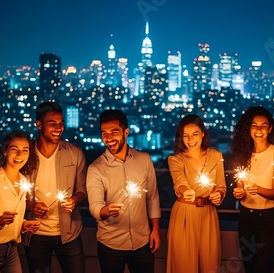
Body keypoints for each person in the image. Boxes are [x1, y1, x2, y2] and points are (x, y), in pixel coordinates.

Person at [87, 109, 161, 273]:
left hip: (143, 242)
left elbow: (153, 198)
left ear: (126, 132)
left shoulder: (144, 160)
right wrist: (105, 211)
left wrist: (155, 229)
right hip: (111, 245)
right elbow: (94, 206)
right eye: (104, 133)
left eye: (114, 132)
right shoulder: (95, 169)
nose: (108, 138)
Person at [24, 102, 87, 273]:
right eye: (53, 123)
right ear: (39, 124)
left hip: (69, 233)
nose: (59, 128)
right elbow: (15, 192)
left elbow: (82, 189)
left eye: (61, 123)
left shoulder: (74, 153)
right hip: (36, 234)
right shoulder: (25, 154)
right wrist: (31, 206)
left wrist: (75, 200)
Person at [0, 130, 41, 272]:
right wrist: (1, 221)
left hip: (12, 250)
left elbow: (14, 218)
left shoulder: (23, 181)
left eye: (25, 150)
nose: (19, 155)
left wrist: (23, 224)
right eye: (14, 149)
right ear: (5, 151)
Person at [166, 114, 227, 273]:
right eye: (185, 135)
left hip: (208, 214)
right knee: (185, 264)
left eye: (194, 134)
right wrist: (186, 192)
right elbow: (179, 181)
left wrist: (219, 194)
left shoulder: (216, 156)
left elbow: (221, 185)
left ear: (203, 133)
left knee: (210, 264)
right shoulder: (175, 159)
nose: (190, 139)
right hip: (184, 214)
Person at [231, 106, 274, 273]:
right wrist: (238, 193)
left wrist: (258, 189)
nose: (258, 130)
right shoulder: (243, 154)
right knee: (249, 267)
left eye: (263, 125)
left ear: (270, 129)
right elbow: (240, 188)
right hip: (246, 218)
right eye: (254, 125)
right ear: (249, 128)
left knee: (263, 268)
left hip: (269, 220)